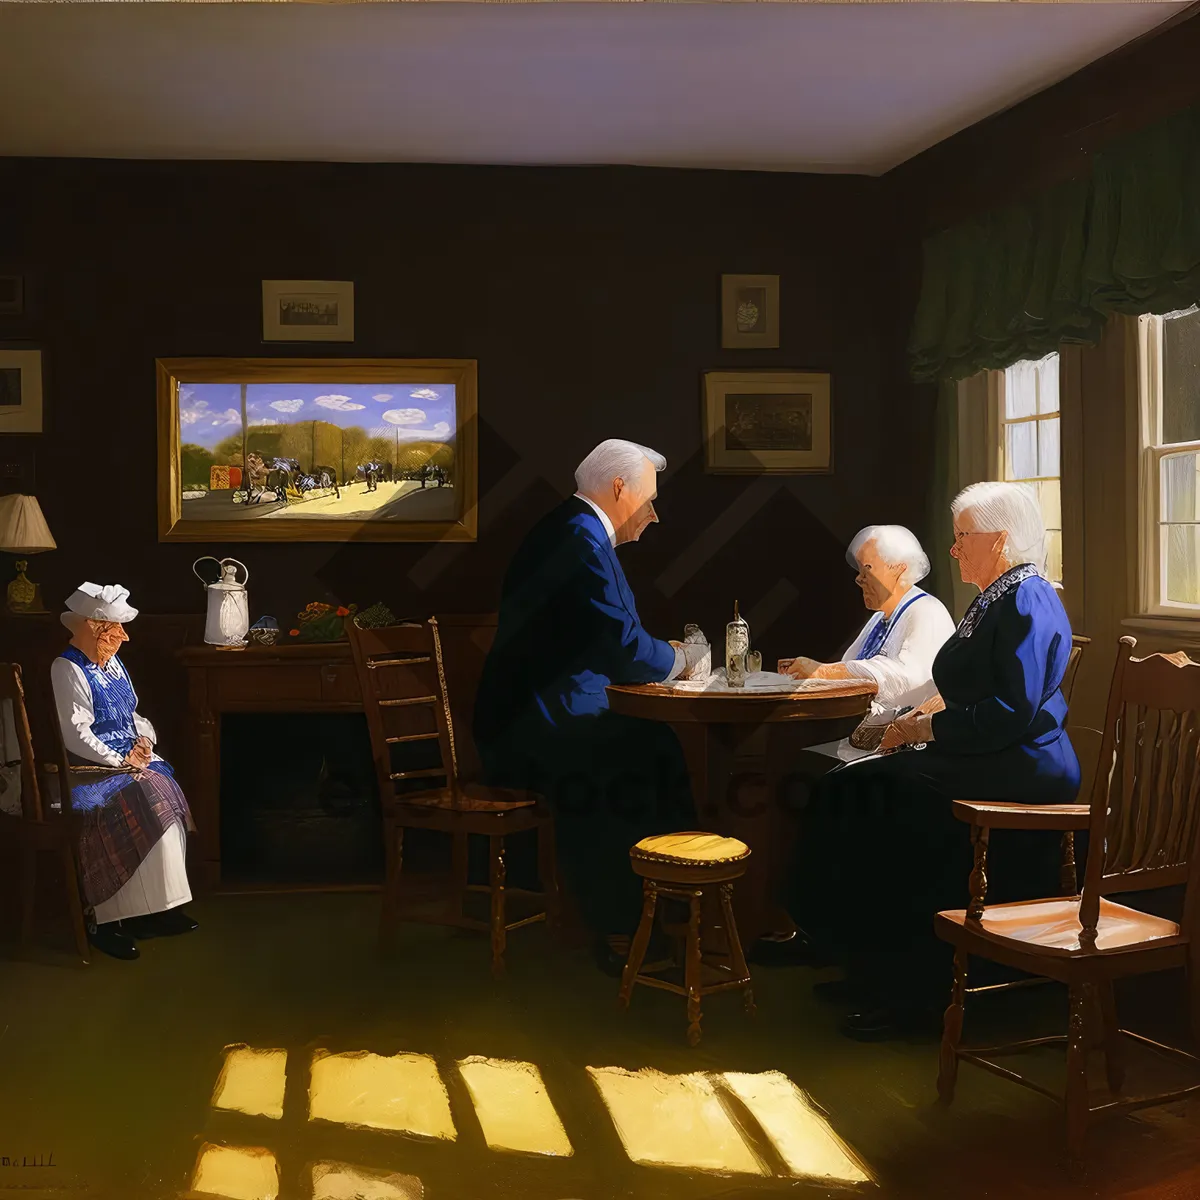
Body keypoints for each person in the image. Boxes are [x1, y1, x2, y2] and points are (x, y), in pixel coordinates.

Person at [789, 482, 1080, 1039]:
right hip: (991, 752)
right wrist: (934, 709)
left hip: (1020, 766)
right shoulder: (1002, 591)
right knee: (850, 786)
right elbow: (983, 684)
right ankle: (868, 967)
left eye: (961, 538)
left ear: (997, 540)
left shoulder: (1027, 597)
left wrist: (925, 727)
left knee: (875, 795)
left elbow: (1010, 713)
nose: (953, 551)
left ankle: (910, 994)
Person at [474, 439, 706, 973]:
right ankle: (629, 925)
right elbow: (623, 647)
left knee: (655, 746)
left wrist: (663, 655)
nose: (655, 512)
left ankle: (668, 909)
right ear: (619, 487)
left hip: (542, 712)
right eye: (648, 497)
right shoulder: (579, 536)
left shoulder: (572, 528)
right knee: (632, 759)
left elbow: (609, 637)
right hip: (531, 727)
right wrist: (682, 660)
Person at [51, 583, 197, 961]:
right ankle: (108, 919)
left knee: (162, 782)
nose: (122, 635)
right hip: (88, 770)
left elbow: (132, 714)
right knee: (144, 791)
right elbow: (75, 732)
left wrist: (144, 741)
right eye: (114, 627)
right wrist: (119, 761)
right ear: (92, 626)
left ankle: (155, 910)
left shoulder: (113, 663)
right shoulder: (66, 668)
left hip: (126, 758)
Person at [779, 524, 955, 758]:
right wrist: (811, 672)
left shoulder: (927, 610)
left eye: (867, 569)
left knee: (799, 761)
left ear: (899, 570)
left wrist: (823, 671)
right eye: (860, 570)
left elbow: (907, 679)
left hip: (902, 749)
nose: (859, 579)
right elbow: (850, 667)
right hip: (866, 741)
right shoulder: (878, 618)